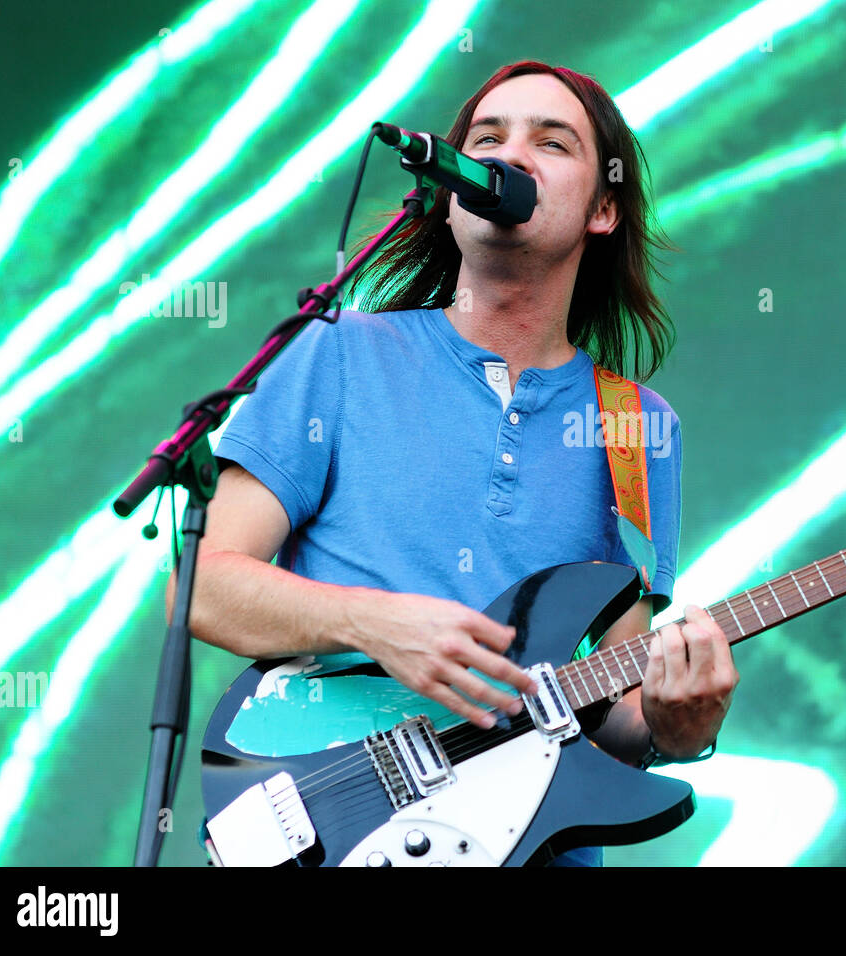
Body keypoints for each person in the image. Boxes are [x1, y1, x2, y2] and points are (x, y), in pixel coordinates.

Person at [166, 61, 739, 866]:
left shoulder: (638, 429)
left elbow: (614, 718)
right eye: (486, 138)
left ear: (603, 208)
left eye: (551, 141)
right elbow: (201, 585)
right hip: (330, 828)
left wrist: (678, 729)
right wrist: (370, 621)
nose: (509, 156)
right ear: (449, 187)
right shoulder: (335, 354)